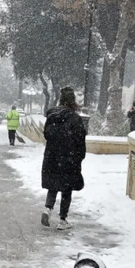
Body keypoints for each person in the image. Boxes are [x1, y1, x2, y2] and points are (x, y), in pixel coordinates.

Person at [41, 87, 86, 231]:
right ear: (72, 101)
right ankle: (62, 219)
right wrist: (79, 156)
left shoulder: (52, 116)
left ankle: (47, 209)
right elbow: (80, 140)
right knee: (67, 189)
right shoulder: (74, 118)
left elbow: (47, 135)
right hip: (68, 158)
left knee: (53, 185)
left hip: (52, 157)